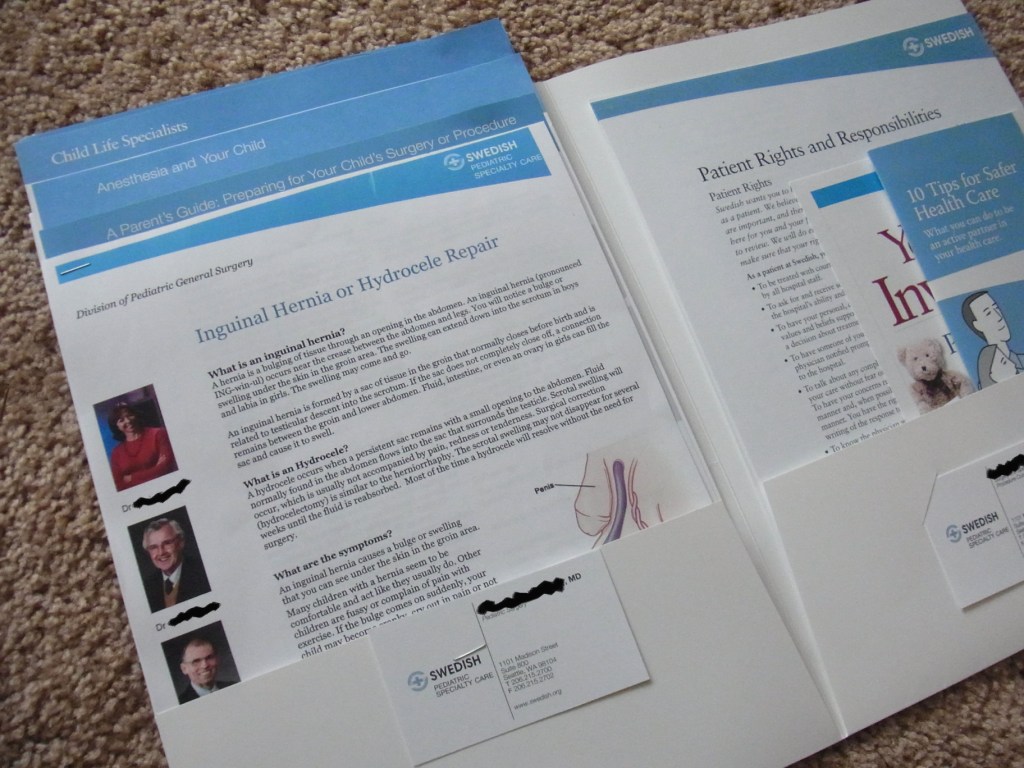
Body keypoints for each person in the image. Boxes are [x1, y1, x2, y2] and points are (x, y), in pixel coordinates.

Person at [141, 517, 211, 613]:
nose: (161, 552)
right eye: (153, 547)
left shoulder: (203, 573)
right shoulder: (147, 586)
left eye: (167, 543)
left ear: (181, 542)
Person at [107, 402, 177, 491]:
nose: (128, 421)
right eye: (121, 420)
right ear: (117, 427)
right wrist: (154, 470)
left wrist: (132, 478)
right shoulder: (116, 453)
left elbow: (166, 467)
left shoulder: (158, 434)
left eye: (130, 415)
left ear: (136, 415)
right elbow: (118, 485)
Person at [961, 291, 1023, 388]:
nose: (999, 317)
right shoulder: (985, 381)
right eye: (988, 313)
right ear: (977, 325)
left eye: (996, 308)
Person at [177, 636, 235, 704]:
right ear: (184, 669)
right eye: (196, 661)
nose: (205, 665)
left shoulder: (234, 687)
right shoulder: (181, 703)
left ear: (217, 659)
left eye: (209, 658)